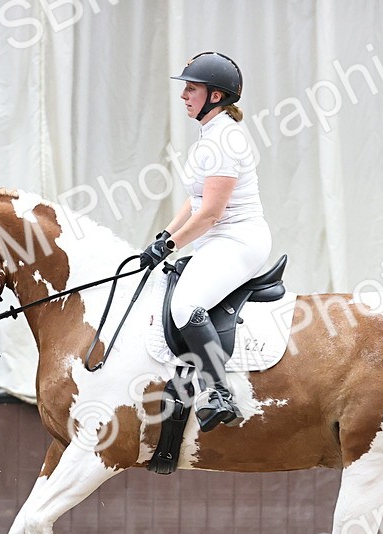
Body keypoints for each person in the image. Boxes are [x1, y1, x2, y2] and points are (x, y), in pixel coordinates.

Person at [138, 52, 272, 432]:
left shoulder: (225, 140)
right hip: (215, 239)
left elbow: (211, 213)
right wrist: (166, 234)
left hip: (238, 240)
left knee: (185, 305)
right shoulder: (209, 134)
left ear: (215, 96)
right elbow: (194, 200)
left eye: (191, 89)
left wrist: (172, 246)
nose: (183, 95)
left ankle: (218, 391)